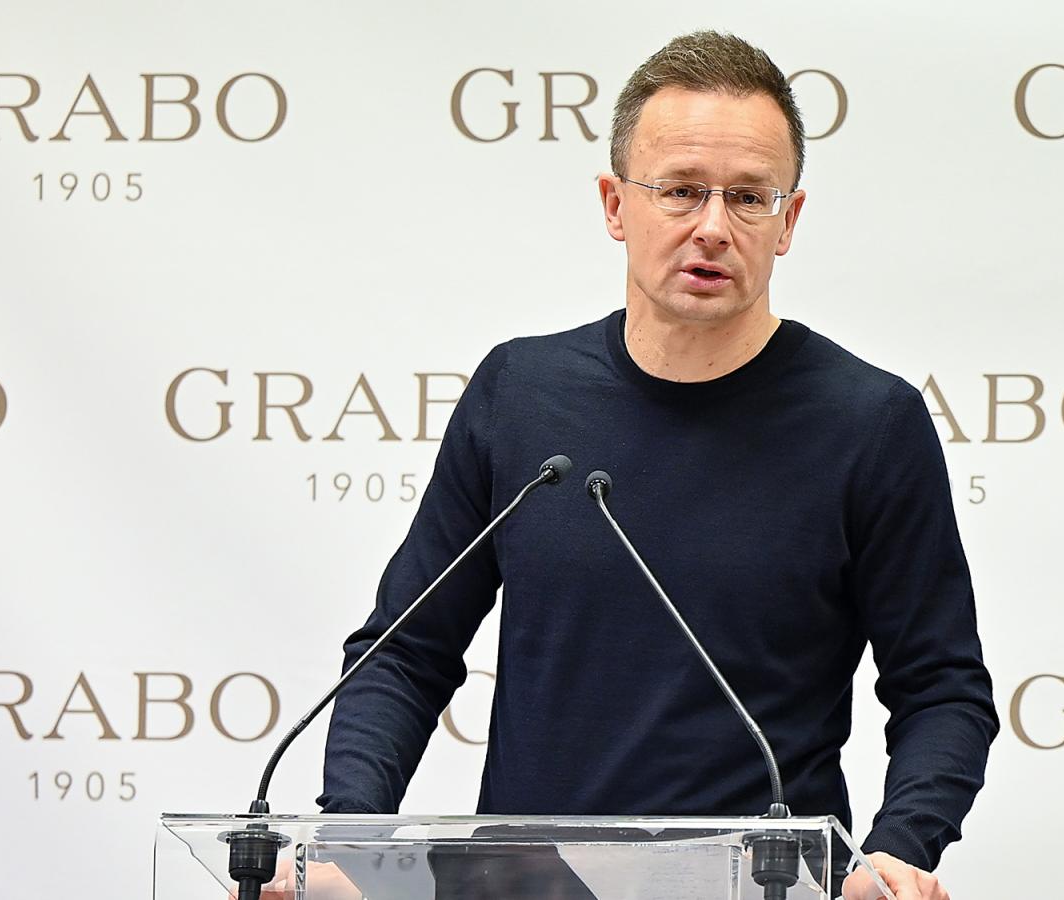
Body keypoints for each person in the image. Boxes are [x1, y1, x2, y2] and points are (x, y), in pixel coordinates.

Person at [315, 31, 999, 900]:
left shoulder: (870, 423)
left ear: (788, 221)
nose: (713, 227)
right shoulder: (520, 395)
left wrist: (899, 851)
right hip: (528, 888)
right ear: (615, 205)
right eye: (679, 190)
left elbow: (940, 687)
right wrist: (345, 837)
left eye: (747, 197)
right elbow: (403, 653)